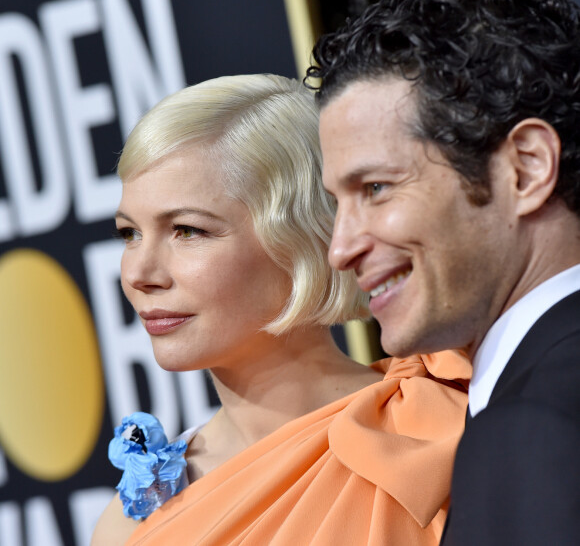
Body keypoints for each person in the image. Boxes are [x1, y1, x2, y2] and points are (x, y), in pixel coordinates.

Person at [90, 74, 470, 545]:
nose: (139, 273)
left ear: (306, 237)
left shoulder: (439, 434)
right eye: (130, 234)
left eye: (187, 230)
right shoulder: (131, 522)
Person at [307, 0, 580, 546]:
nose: (340, 248)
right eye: (338, 202)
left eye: (376, 188)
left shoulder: (534, 428)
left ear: (526, 169)